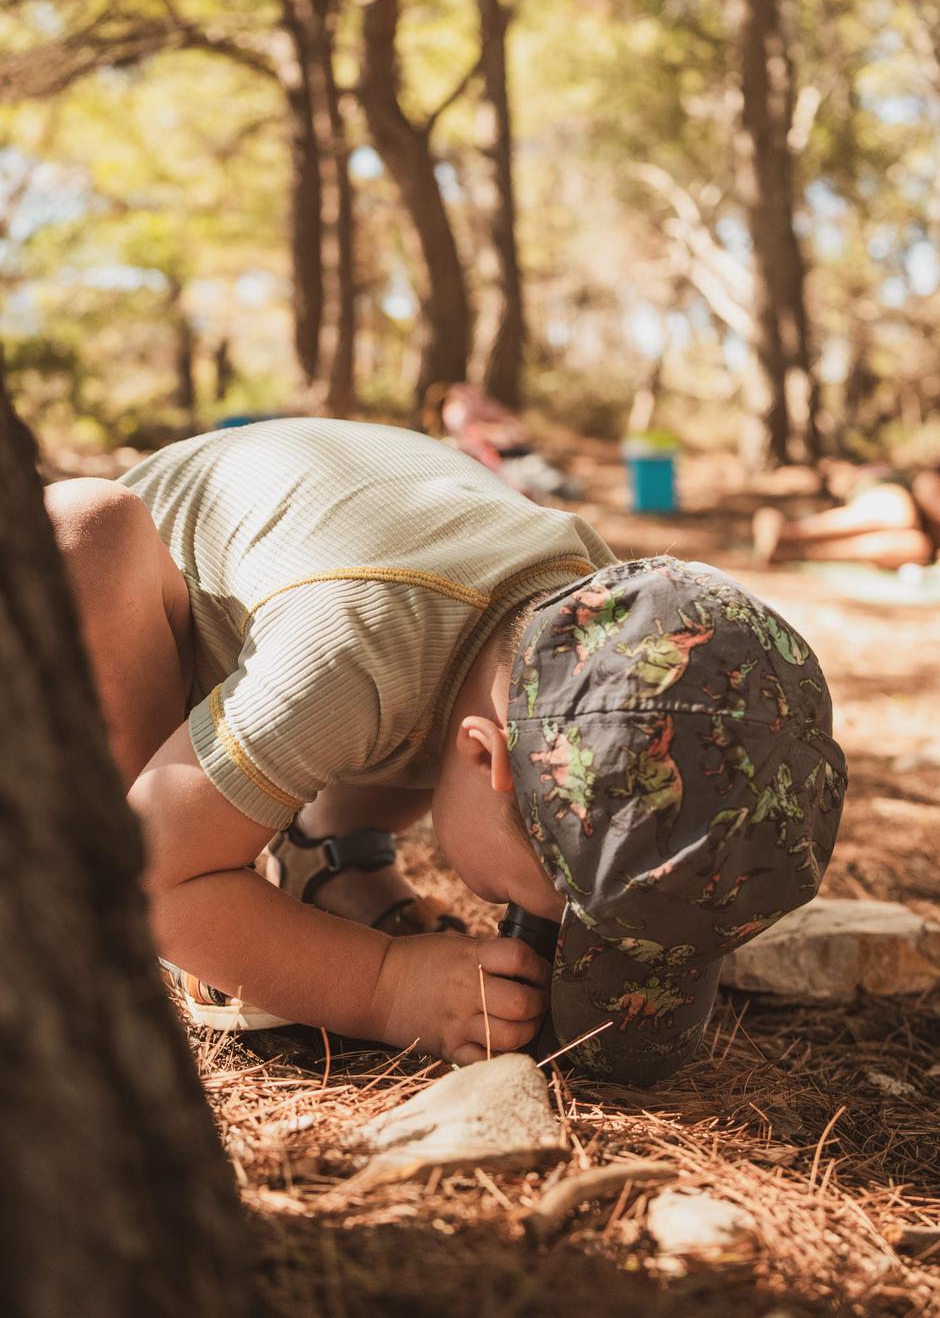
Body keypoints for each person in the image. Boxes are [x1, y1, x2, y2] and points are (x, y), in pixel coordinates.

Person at [46, 418, 846, 1082]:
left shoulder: (597, 615)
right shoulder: (350, 647)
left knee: (447, 671)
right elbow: (157, 875)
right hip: (121, 663)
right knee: (88, 530)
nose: (555, 927)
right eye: (564, 898)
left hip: (373, 641)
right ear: (483, 757)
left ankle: (335, 857)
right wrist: (385, 988)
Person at [753, 462, 940, 570]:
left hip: (922, 537)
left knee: (916, 547)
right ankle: (789, 531)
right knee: (900, 512)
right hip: (895, 496)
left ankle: (795, 553)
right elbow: (926, 485)